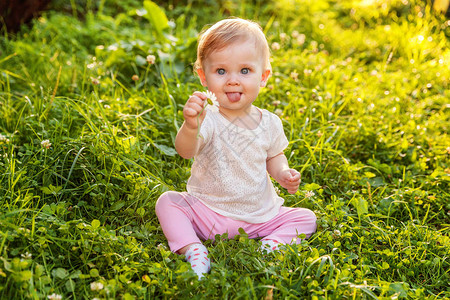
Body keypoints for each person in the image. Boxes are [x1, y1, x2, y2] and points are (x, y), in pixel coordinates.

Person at [155, 18, 317, 279]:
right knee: (168, 202)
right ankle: (193, 248)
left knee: (305, 218)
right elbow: (186, 150)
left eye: (244, 71)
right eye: (221, 71)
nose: (232, 81)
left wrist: (284, 173)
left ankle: (270, 246)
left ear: (263, 77)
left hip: (258, 217)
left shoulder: (270, 123)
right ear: (203, 77)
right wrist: (190, 126)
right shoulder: (208, 117)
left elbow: (274, 156)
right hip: (207, 212)